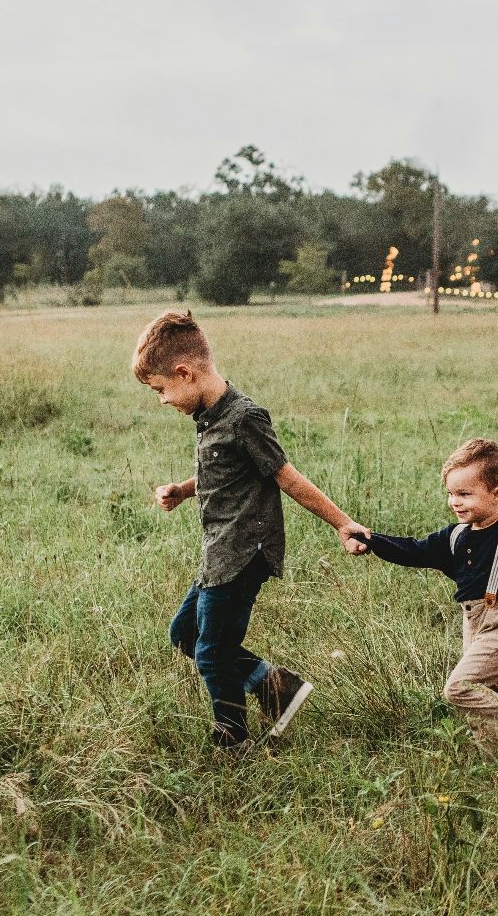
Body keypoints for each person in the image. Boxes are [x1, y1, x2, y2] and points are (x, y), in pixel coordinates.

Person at [134, 310, 369, 749]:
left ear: (184, 373)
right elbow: (224, 472)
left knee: (212, 653)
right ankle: (275, 686)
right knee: (184, 634)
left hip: (244, 552)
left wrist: (343, 523)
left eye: (160, 389)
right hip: (218, 552)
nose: (162, 400)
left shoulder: (245, 418)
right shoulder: (209, 417)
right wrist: (184, 490)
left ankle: (233, 739)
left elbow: (287, 477)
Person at [357, 439, 498, 764]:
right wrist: (370, 540)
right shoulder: (454, 535)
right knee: (483, 700)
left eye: (465, 494)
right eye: (451, 493)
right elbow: (412, 551)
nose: (455, 501)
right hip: (473, 626)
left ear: (497, 494)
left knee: (460, 688)